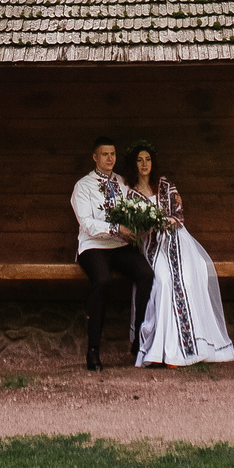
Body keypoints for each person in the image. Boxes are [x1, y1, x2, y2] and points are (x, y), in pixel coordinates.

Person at [125, 142, 234, 367]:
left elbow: (179, 215)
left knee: (191, 276)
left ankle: (194, 346)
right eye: (139, 159)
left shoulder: (166, 185)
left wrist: (163, 222)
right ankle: (164, 349)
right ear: (134, 164)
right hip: (153, 246)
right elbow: (134, 228)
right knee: (164, 281)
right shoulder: (130, 193)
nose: (144, 164)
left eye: (148, 159)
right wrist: (147, 225)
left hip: (177, 241)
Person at [70, 139, 151, 371]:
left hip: (119, 245)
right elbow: (86, 223)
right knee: (103, 281)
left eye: (113, 154)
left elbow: (132, 210)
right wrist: (117, 229)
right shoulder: (83, 186)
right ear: (94, 157)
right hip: (93, 246)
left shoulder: (122, 183)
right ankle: (93, 350)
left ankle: (139, 342)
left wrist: (137, 225)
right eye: (104, 154)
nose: (109, 158)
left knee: (146, 274)